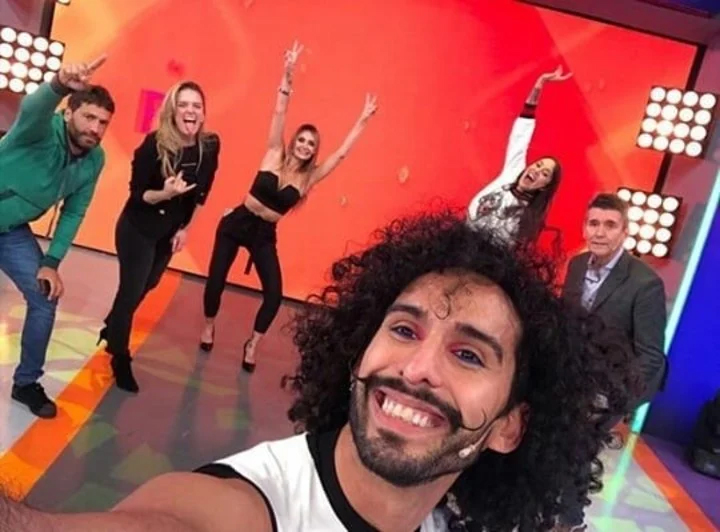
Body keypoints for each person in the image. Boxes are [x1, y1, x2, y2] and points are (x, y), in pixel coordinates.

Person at [0, 212, 639, 531]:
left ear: (509, 427)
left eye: (468, 355)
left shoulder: (446, 518)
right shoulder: (243, 508)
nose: (417, 369)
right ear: (359, 355)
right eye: (404, 329)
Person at [198, 40, 377, 372]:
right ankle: (209, 326)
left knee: (274, 295)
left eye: (311, 144)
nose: (306, 146)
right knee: (215, 281)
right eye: (302, 140)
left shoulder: (309, 178)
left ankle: (253, 344)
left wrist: (362, 120)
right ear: (294, 141)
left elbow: (340, 155)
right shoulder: (274, 152)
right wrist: (288, 72)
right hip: (237, 223)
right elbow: (279, 111)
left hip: (264, 234)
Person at [0, 56, 114, 418]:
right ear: (68, 113)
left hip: (10, 231)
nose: (95, 128)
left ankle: (26, 383)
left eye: (103, 122)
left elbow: (74, 212)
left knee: (44, 297)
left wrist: (51, 262)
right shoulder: (39, 131)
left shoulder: (94, 160)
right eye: (89, 117)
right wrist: (60, 83)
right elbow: (34, 106)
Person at [98, 81, 221, 393]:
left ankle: (113, 324)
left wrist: (185, 228)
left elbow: (201, 195)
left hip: (168, 232)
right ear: (172, 111)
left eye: (196, 106)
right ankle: (119, 356)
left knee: (150, 283)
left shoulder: (209, 146)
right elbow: (138, 195)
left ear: (203, 112)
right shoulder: (154, 145)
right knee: (130, 292)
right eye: (184, 105)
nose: (190, 111)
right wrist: (165, 194)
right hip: (137, 228)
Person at [557, 193, 667, 531]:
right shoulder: (577, 265)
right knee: (553, 447)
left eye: (610, 225)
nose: (600, 232)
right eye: (593, 223)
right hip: (569, 376)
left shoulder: (645, 283)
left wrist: (614, 401)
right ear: (584, 227)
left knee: (577, 450)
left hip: (608, 387)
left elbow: (651, 356)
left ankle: (570, 523)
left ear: (624, 232)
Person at [466, 66, 570, 243]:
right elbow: (521, 133)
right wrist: (539, 85)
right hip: (461, 235)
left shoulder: (528, 218)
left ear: (545, 186)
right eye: (538, 165)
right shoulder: (513, 172)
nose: (537, 170)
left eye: (545, 173)